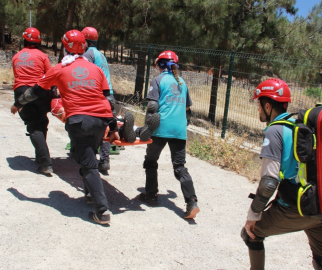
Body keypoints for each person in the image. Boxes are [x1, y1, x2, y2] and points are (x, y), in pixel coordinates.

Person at [14, 29, 121, 225]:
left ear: (65, 48)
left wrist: (18, 103)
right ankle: (89, 194)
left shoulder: (60, 68)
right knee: (89, 155)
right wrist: (113, 125)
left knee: (87, 163)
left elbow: (35, 92)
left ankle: (102, 211)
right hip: (101, 120)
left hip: (79, 121)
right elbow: (108, 99)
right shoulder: (95, 69)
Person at [241, 78, 322, 270]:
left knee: (251, 234)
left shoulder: (275, 131)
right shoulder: (301, 127)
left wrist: (253, 215)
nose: (258, 109)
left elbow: (269, 182)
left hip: (298, 208)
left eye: (259, 105)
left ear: (268, 106)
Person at [136, 50, 199, 219]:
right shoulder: (183, 83)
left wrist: (147, 127)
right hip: (179, 130)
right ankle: (192, 201)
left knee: (150, 161)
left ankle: (151, 195)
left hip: (160, 129)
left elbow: (152, 108)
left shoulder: (158, 80)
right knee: (179, 167)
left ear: (161, 64)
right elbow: (187, 111)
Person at [10, 27, 53, 175]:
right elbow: (49, 75)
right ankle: (40, 157)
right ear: (39, 41)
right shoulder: (42, 56)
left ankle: (45, 162)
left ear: (24, 40)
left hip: (22, 92)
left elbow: (17, 76)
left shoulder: (16, 57)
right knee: (41, 122)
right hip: (40, 91)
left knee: (34, 126)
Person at [82, 26, 114, 172]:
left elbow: (86, 74)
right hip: (109, 93)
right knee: (105, 127)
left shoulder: (88, 54)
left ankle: (90, 159)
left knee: (92, 128)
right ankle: (105, 160)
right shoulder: (101, 55)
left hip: (97, 94)